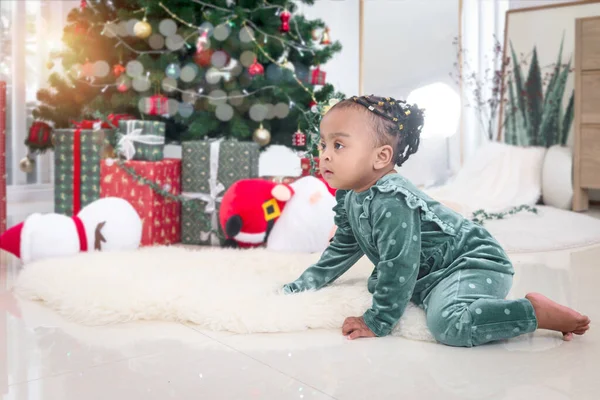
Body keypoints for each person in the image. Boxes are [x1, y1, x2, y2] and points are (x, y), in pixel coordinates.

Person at [282, 95, 590, 346]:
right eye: (323, 144)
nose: (324, 155)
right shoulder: (350, 196)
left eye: (338, 145)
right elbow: (342, 249)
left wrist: (378, 321)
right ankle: (429, 289)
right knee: (381, 282)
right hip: (434, 269)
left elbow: (399, 264)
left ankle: (533, 312)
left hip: (474, 261)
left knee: (449, 324)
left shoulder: (391, 198)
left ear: (380, 157)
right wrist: (301, 286)